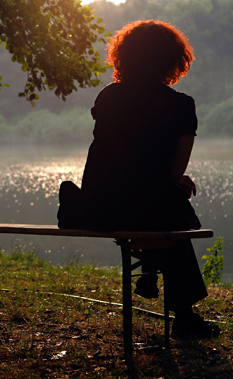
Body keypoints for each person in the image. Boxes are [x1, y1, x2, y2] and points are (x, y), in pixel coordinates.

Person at [58, 20, 219, 339]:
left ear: (123, 57)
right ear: (174, 59)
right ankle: (182, 312)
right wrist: (178, 180)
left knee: (141, 202)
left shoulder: (109, 97)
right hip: (147, 210)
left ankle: (149, 267)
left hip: (101, 209)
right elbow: (173, 173)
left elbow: (118, 159)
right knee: (171, 208)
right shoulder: (181, 106)